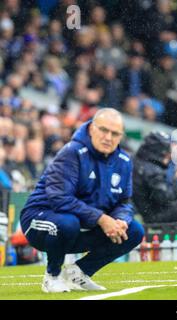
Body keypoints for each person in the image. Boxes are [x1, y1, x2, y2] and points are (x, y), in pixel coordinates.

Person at [20, 108, 144, 293]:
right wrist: (102, 219)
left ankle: (79, 273)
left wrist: (120, 220)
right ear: (92, 128)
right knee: (68, 222)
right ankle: (52, 276)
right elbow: (59, 199)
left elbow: (124, 202)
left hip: (82, 223)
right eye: (103, 130)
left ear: (121, 136)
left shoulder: (124, 161)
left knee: (133, 231)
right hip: (40, 221)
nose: (108, 137)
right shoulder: (72, 153)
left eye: (115, 133)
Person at [132, 131, 177, 258]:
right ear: (156, 151)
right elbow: (164, 197)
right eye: (165, 152)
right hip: (154, 214)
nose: (168, 156)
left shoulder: (140, 163)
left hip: (150, 211)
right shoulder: (149, 170)